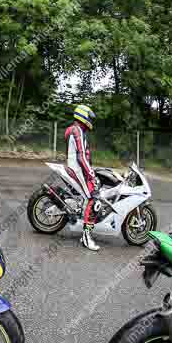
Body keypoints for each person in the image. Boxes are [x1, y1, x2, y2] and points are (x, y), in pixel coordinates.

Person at [66, 104, 99, 251]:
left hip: (76, 168)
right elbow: (81, 157)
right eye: (89, 118)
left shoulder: (75, 129)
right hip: (77, 169)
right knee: (93, 199)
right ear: (83, 116)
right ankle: (86, 237)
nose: (91, 121)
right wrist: (91, 173)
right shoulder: (77, 130)